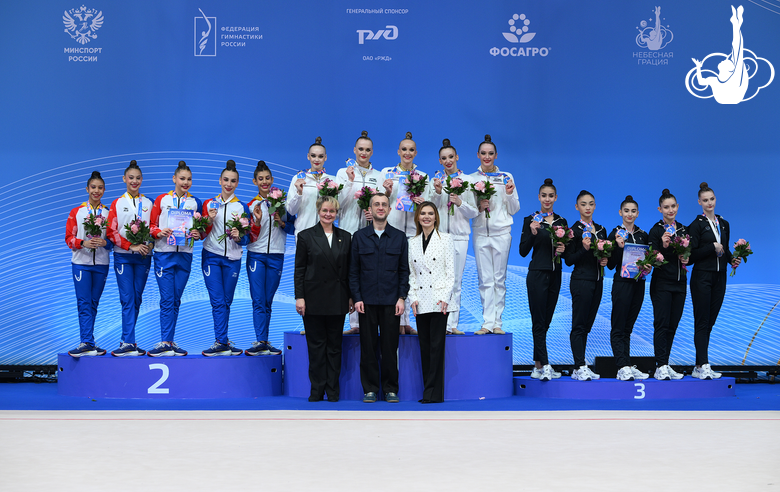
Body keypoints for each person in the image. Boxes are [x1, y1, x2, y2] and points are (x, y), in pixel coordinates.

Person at [349, 194, 410, 403]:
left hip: (392, 302)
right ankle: (370, 389)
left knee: (389, 348)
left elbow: (404, 271)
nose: (381, 208)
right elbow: (353, 271)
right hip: (365, 303)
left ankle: (391, 389)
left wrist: (402, 297)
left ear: (389, 209)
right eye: (377, 204)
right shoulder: (358, 237)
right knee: (368, 348)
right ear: (370, 209)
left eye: (384, 204)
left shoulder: (399, 237)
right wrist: (356, 297)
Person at [294, 196, 353, 401]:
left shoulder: (346, 237)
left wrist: (351, 297)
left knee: (335, 347)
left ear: (337, 213)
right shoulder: (305, 236)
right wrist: (299, 297)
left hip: (338, 299)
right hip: (313, 299)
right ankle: (317, 390)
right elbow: (299, 270)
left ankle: (333, 391)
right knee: (316, 347)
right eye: (325, 210)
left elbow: (349, 271)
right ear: (318, 211)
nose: (328, 214)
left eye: (332, 211)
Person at [148, 161, 202, 357]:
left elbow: (201, 229)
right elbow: (151, 226)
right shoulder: (162, 200)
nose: (185, 182)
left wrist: (197, 233)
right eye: (182, 178)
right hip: (164, 254)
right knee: (167, 299)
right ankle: (164, 341)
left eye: (189, 179)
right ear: (174, 179)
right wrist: (159, 232)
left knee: (176, 300)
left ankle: (170, 341)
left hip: (185, 255)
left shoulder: (196, 202)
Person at [688, 182, 741, 380]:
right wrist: (711, 246)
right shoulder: (696, 225)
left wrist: (732, 259)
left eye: (712, 199)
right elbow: (691, 256)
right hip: (702, 277)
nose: (709, 203)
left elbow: (724, 249)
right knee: (702, 322)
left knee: (709, 323)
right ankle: (704, 365)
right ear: (699, 202)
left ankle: (698, 365)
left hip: (720, 277)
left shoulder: (724, 223)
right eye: (705, 200)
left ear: (715, 200)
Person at [470, 134, 520, 335]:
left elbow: (515, 209)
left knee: (499, 279)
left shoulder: (506, 177)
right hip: (480, 233)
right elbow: (467, 210)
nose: (487, 157)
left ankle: (497, 322)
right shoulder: (472, 179)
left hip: (501, 233)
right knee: (485, 280)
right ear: (478, 155)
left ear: (496, 155)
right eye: (483, 153)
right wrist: (479, 207)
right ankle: (486, 322)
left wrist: (508, 194)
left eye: (490, 153)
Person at [336, 130, 385, 335]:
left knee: (367, 274)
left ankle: (367, 321)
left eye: (367, 150)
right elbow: (337, 204)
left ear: (372, 152)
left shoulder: (379, 176)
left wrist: (372, 214)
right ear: (354, 150)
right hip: (347, 230)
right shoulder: (342, 172)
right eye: (360, 149)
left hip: (369, 232)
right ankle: (353, 323)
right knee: (349, 275)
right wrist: (349, 182)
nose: (363, 153)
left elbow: (382, 205)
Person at [381, 131, 430, 335]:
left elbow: (428, 207)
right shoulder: (387, 173)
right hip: (392, 231)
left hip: (413, 232)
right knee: (393, 275)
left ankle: (407, 321)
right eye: (404, 149)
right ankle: (395, 320)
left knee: (412, 276)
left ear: (416, 153)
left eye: (411, 150)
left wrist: (421, 203)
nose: (407, 153)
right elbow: (380, 202)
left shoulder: (423, 177)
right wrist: (387, 192)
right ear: (398, 151)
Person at [200, 160, 251, 356]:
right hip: (211, 256)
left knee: (227, 301)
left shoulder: (242, 207)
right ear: (220, 181)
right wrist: (209, 220)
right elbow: (201, 233)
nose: (229, 184)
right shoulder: (209, 204)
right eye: (226, 180)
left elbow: (247, 239)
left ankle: (223, 340)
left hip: (233, 259)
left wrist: (240, 237)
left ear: (237, 183)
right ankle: (220, 341)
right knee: (218, 300)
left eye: (233, 181)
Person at [245, 160, 295, 356]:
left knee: (268, 300)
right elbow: (246, 235)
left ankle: (265, 340)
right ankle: (260, 340)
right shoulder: (249, 206)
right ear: (254, 181)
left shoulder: (282, 204)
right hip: (256, 255)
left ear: (272, 180)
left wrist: (282, 223)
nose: (264, 182)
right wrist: (256, 221)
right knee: (258, 300)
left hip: (276, 256)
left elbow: (293, 227)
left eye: (267, 178)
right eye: (260, 179)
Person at [518, 178, 566, 381]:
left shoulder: (562, 222)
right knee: (538, 321)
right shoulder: (531, 220)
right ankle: (545, 364)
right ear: (539, 197)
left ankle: (538, 365)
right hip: (537, 274)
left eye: (551, 196)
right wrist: (532, 232)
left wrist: (565, 250)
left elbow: (567, 251)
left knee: (545, 322)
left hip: (556, 275)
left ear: (556, 198)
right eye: (544, 196)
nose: (547, 199)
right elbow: (522, 251)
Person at [408, 202, 456, 403]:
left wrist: (445, 297)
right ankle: (427, 391)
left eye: (430, 213)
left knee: (437, 347)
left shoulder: (445, 239)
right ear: (418, 217)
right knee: (425, 347)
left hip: (439, 301)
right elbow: (411, 274)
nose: (426, 217)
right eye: (423, 213)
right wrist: (413, 297)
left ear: (436, 217)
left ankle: (434, 394)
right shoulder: (412, 242)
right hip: (421, 301)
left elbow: (451, 273)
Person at [430, 138, 477, 335]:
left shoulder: (468, 181)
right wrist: (438, 193)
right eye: (444, 158)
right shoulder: (436, 182)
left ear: (457, 157)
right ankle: (438, 323)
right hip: (439, 237)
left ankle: (452, 324)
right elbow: (429, 209)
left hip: (459, 237)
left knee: (455, 282)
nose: (448, 161)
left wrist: (460, 203)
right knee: (438, 282)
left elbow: (474, 212)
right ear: (440, 161)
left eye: (451, 157)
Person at [106, 160, 153, 356]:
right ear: (124, 179)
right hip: (123, 257)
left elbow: (154, 229)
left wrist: (149, 245)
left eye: (138, 178)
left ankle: (128, 340)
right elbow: (111, 231)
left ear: (142, 180)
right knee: (127, 298)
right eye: (131, 178)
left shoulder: (149, 203)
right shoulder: (117, 203)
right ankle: (128, 342)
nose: (134, 181)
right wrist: (129, 245)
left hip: (143, 258)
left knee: (137, 299)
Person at [65, 171, 112, 357]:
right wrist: (82, 243)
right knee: (84, 302)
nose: (97, 191)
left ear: (104, 190)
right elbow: (68, 238)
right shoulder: (77, 212)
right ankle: (86, 341)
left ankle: (89, 341)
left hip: (101, 263)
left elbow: (113, 240)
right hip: (81, 263)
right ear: (87, 189)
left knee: (93, 303)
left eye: (100, 188)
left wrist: (105, 243)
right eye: (93, 187)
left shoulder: (108, 213)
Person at [606, 195, 651, 381]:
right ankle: (621, 366)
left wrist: (648, 267)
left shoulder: (643, 235)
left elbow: (647, 259)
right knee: (618, 326)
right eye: (626, 211)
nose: (629, 214)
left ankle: (627, 364)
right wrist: (618, 246)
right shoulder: (615, 233)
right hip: (622, 284)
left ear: (638, 213)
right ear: (620, 213)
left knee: (628, 328)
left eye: (633, 211)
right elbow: (609, 265)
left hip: (639, 284)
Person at [565, 190, 607, 381]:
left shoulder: (601, 230)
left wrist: (605, 259)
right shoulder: (573, 231)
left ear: (595, 206)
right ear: (577, 207)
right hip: (581, 281)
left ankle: (581, 364)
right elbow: (569, 259)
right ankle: (578, 366)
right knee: (579, 325)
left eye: (591, 203)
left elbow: (604, 254)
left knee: (587, 326)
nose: (587, 207)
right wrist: (584, 248)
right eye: (583, 204)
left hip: (598, 282)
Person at [648, 189, 689, 380]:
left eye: (673, 206)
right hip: (662, 284)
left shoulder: (683, 230)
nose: (670, 210)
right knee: (662, 324)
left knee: (673, 325)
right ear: (659, 209)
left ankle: (666, 362)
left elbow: (690, 255)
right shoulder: (655, 230)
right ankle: (660, 365)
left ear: (677, 207)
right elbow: (652, 258)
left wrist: (687, 256)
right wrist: (662, 247)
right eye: (666, 207)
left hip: (680, 284)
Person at [287, 137, 344, 240]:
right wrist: (299, 193)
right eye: (313, 156)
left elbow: (338, 212)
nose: (316, 159)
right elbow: (291, 211)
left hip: (326, 234)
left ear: (325, 157)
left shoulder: (333, 181)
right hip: (303, 232)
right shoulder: (298, 179)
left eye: (320, 156)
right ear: (308, 156)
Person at [691, 6, 748, 104]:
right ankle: (736, 24)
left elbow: (737, 48)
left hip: (732, 95)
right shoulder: (716, 79)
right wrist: (698, 67)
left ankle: (736, 24)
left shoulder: (729, 77)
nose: (724, 59)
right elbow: (701, 82)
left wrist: (698, 68)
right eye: (727, 60)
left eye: (726, 61)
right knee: (737, 51)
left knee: (736, 50)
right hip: (730, 96)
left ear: (728, 68)